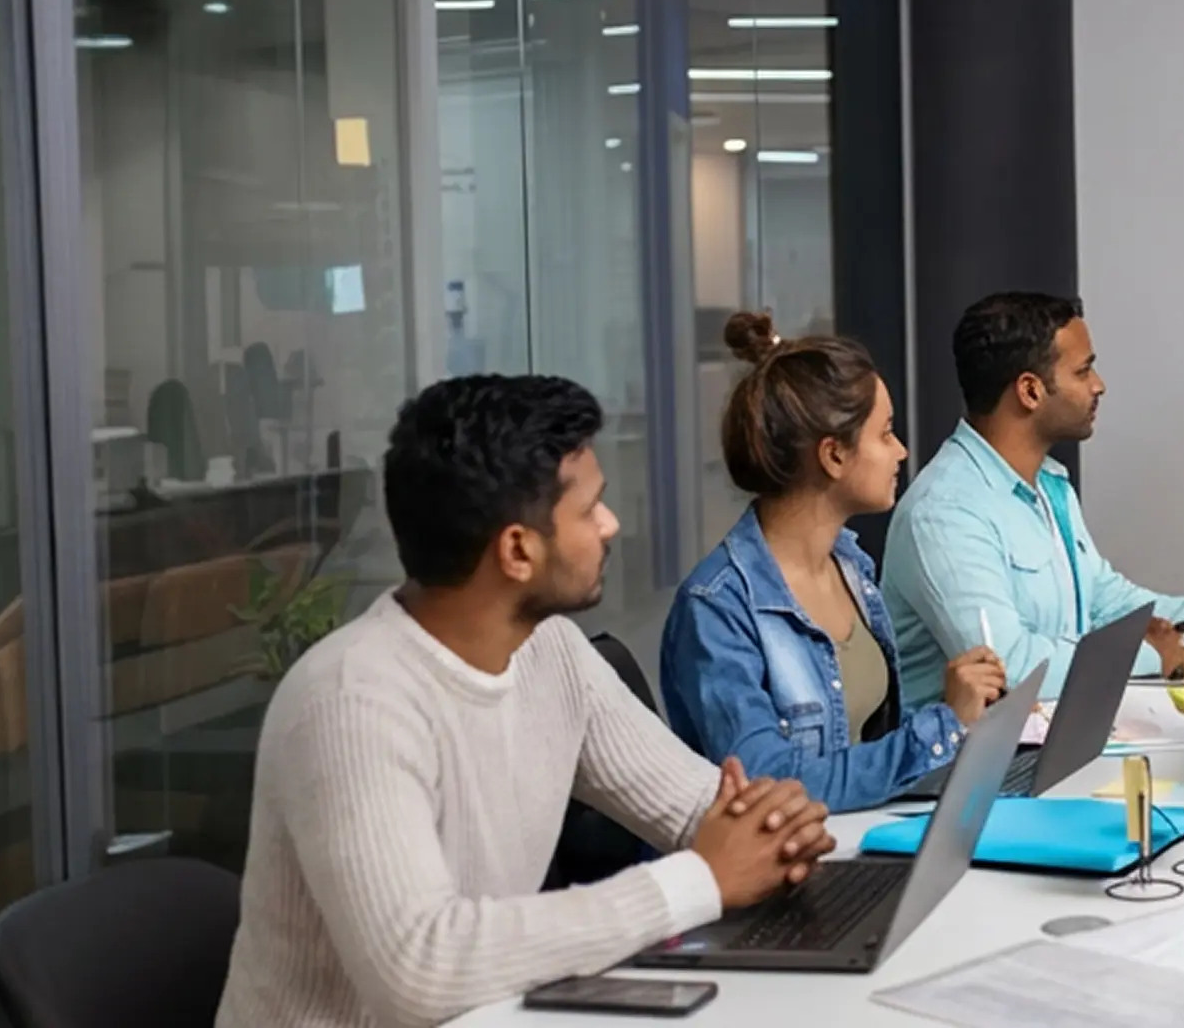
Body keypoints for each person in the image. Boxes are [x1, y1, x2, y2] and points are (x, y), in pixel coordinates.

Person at [217, 375, 840, 1027]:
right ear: (517, 549)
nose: (611, 525)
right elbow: (420, 967)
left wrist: (771, 828)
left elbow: (698, 809)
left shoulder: (553, 653)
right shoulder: (350, 702)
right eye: (589, 509)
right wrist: (701, 878)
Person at [656, 313, 1012, 812]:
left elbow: (862, 744)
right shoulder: (715, 608)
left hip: (862, 840)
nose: (902, 451)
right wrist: (942, 726)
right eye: (885, 434)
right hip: (791, 874)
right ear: (834, 456)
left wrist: (956, 707)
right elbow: (769, 785)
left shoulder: (851, 566)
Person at [882, 291, 1184, 704]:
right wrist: (1152, 655)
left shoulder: (1049, 485)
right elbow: (1008, 667)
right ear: (1030, 391)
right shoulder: (944, 513)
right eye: (1083, 371)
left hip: (1056, 736)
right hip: (976, 763)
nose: (1098, 385)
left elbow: (1106, 602)